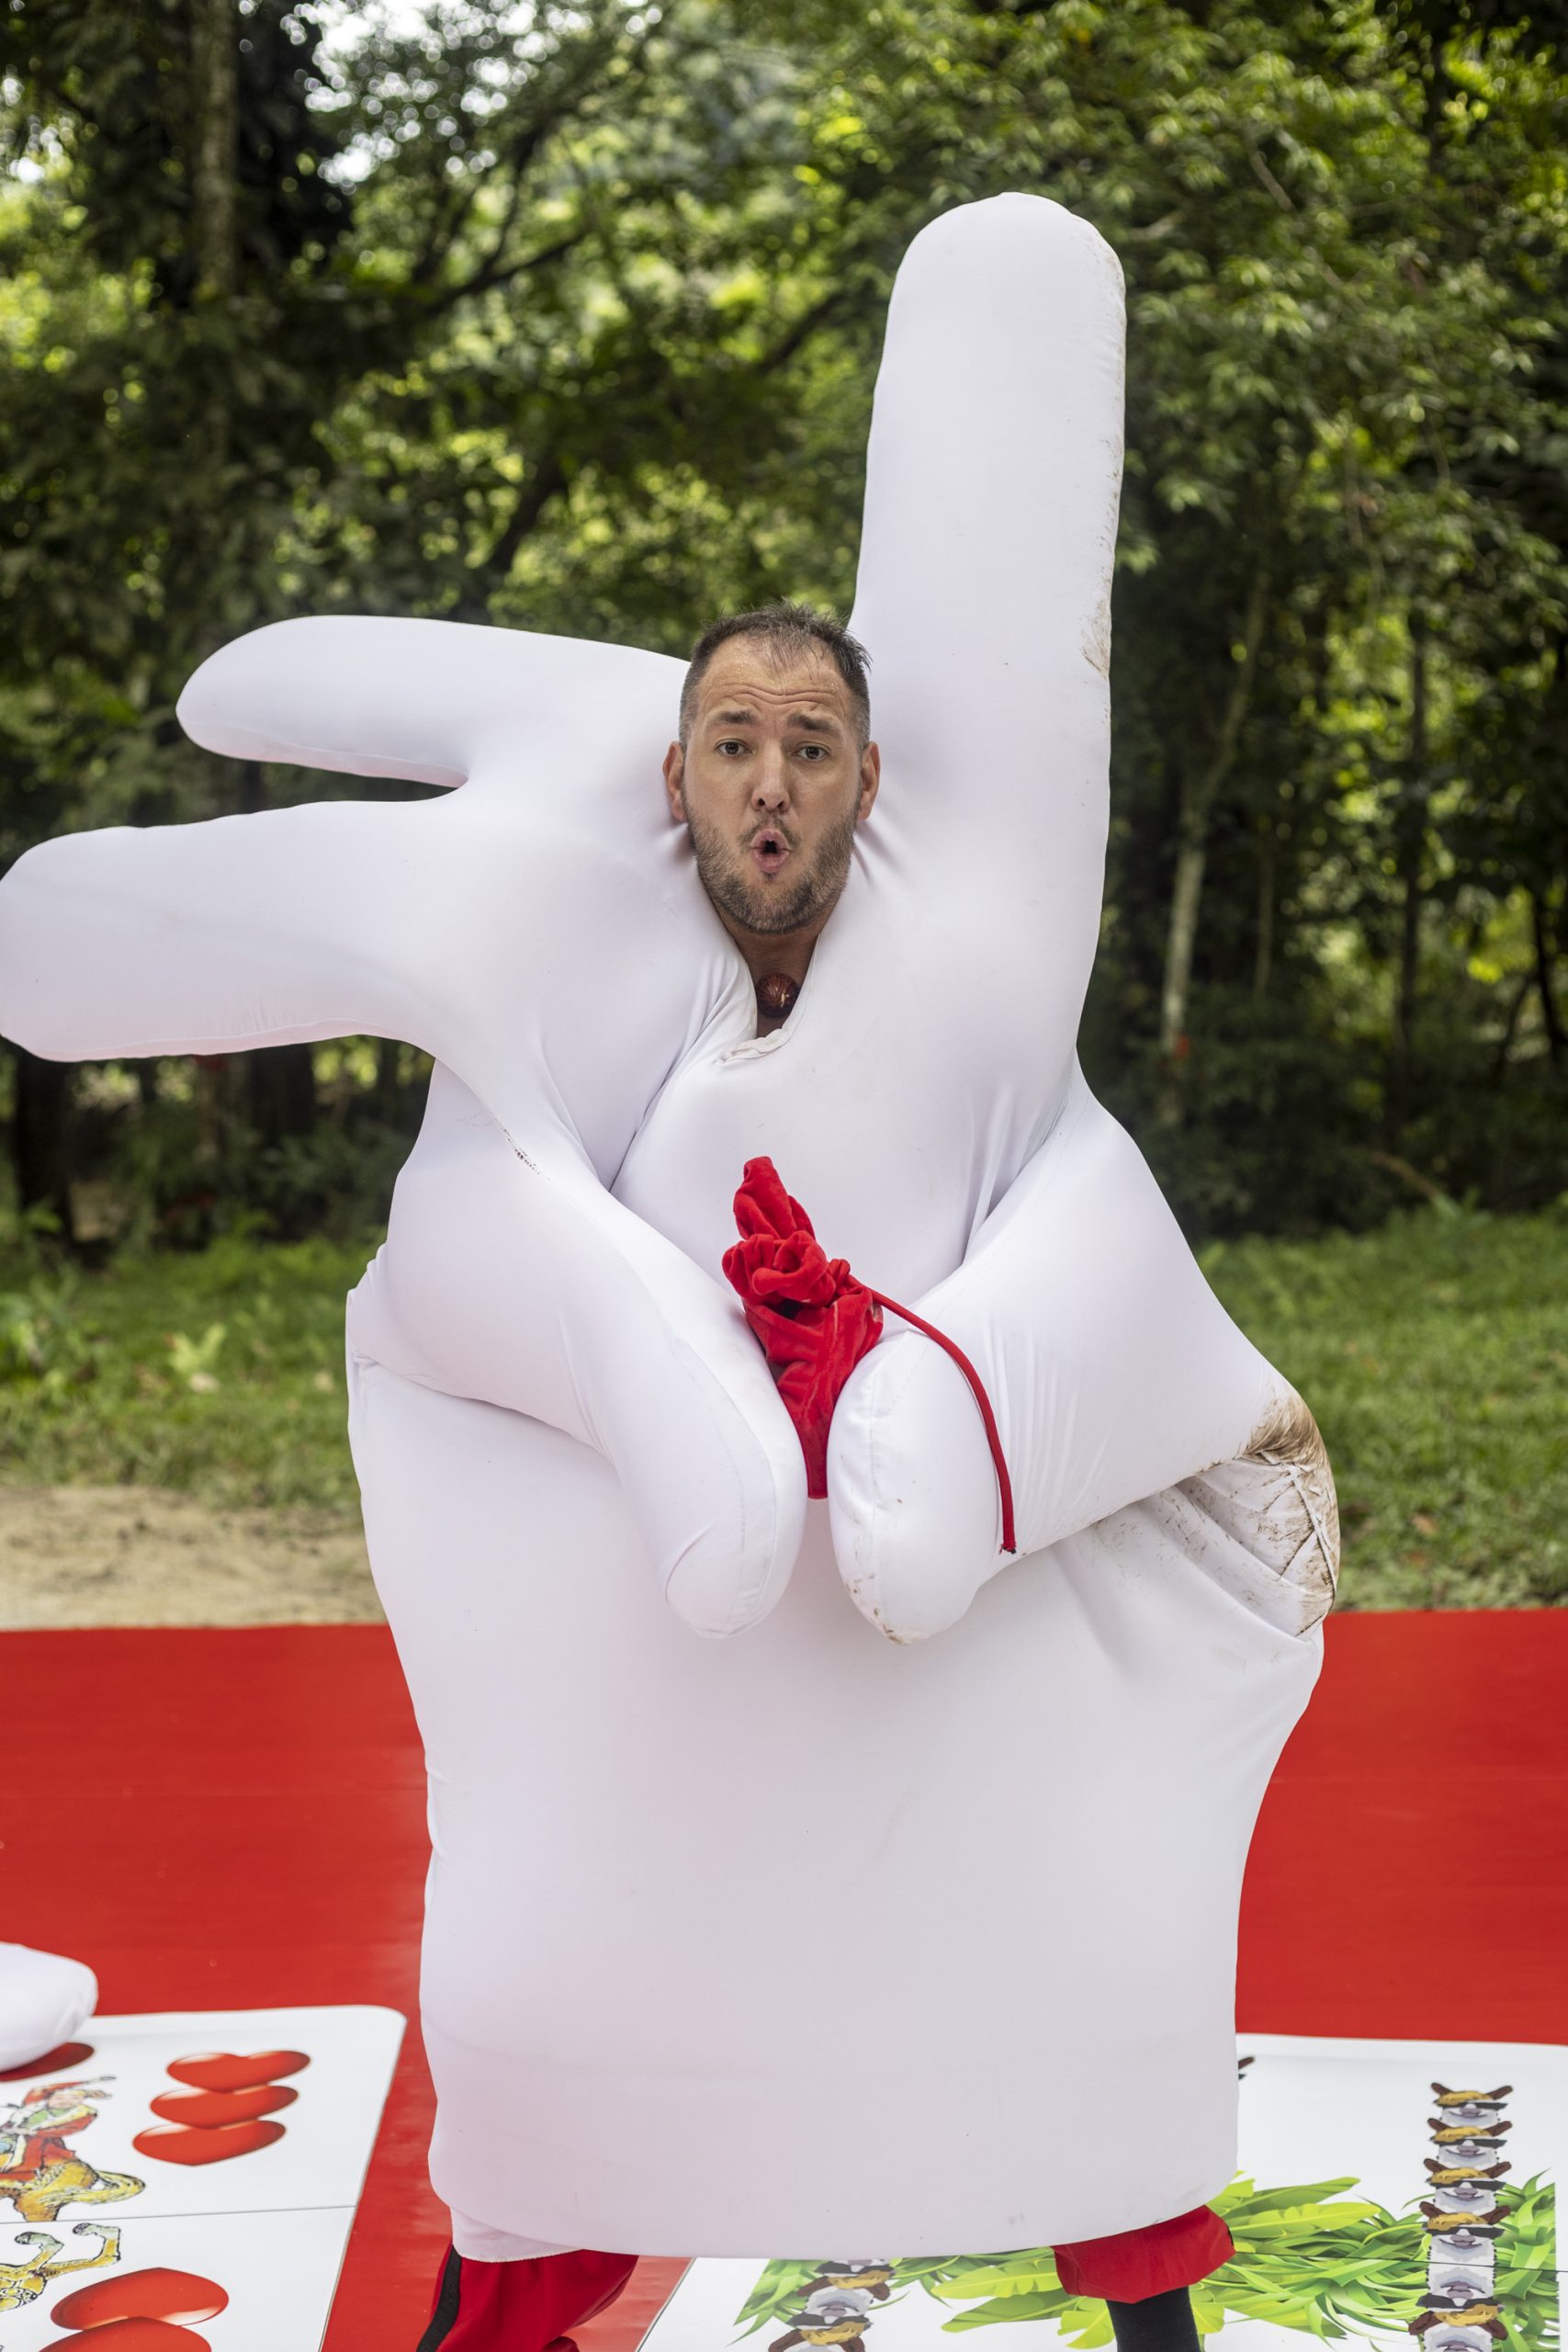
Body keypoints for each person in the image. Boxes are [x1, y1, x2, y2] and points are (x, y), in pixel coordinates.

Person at [0, 195, 1337, 2352]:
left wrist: (963, 1399)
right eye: (734, 742)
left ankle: (1109, 2249)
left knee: (1071, 2042)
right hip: (645, 1699)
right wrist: (640, 1347)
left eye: (811, 744)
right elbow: (460, 1263)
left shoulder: (979, 1000)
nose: (772, 782)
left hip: (980, 1696)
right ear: (677, 775)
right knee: (562, 2097)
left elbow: (1095, 1238)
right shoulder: (574, 1016)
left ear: (870, 778)